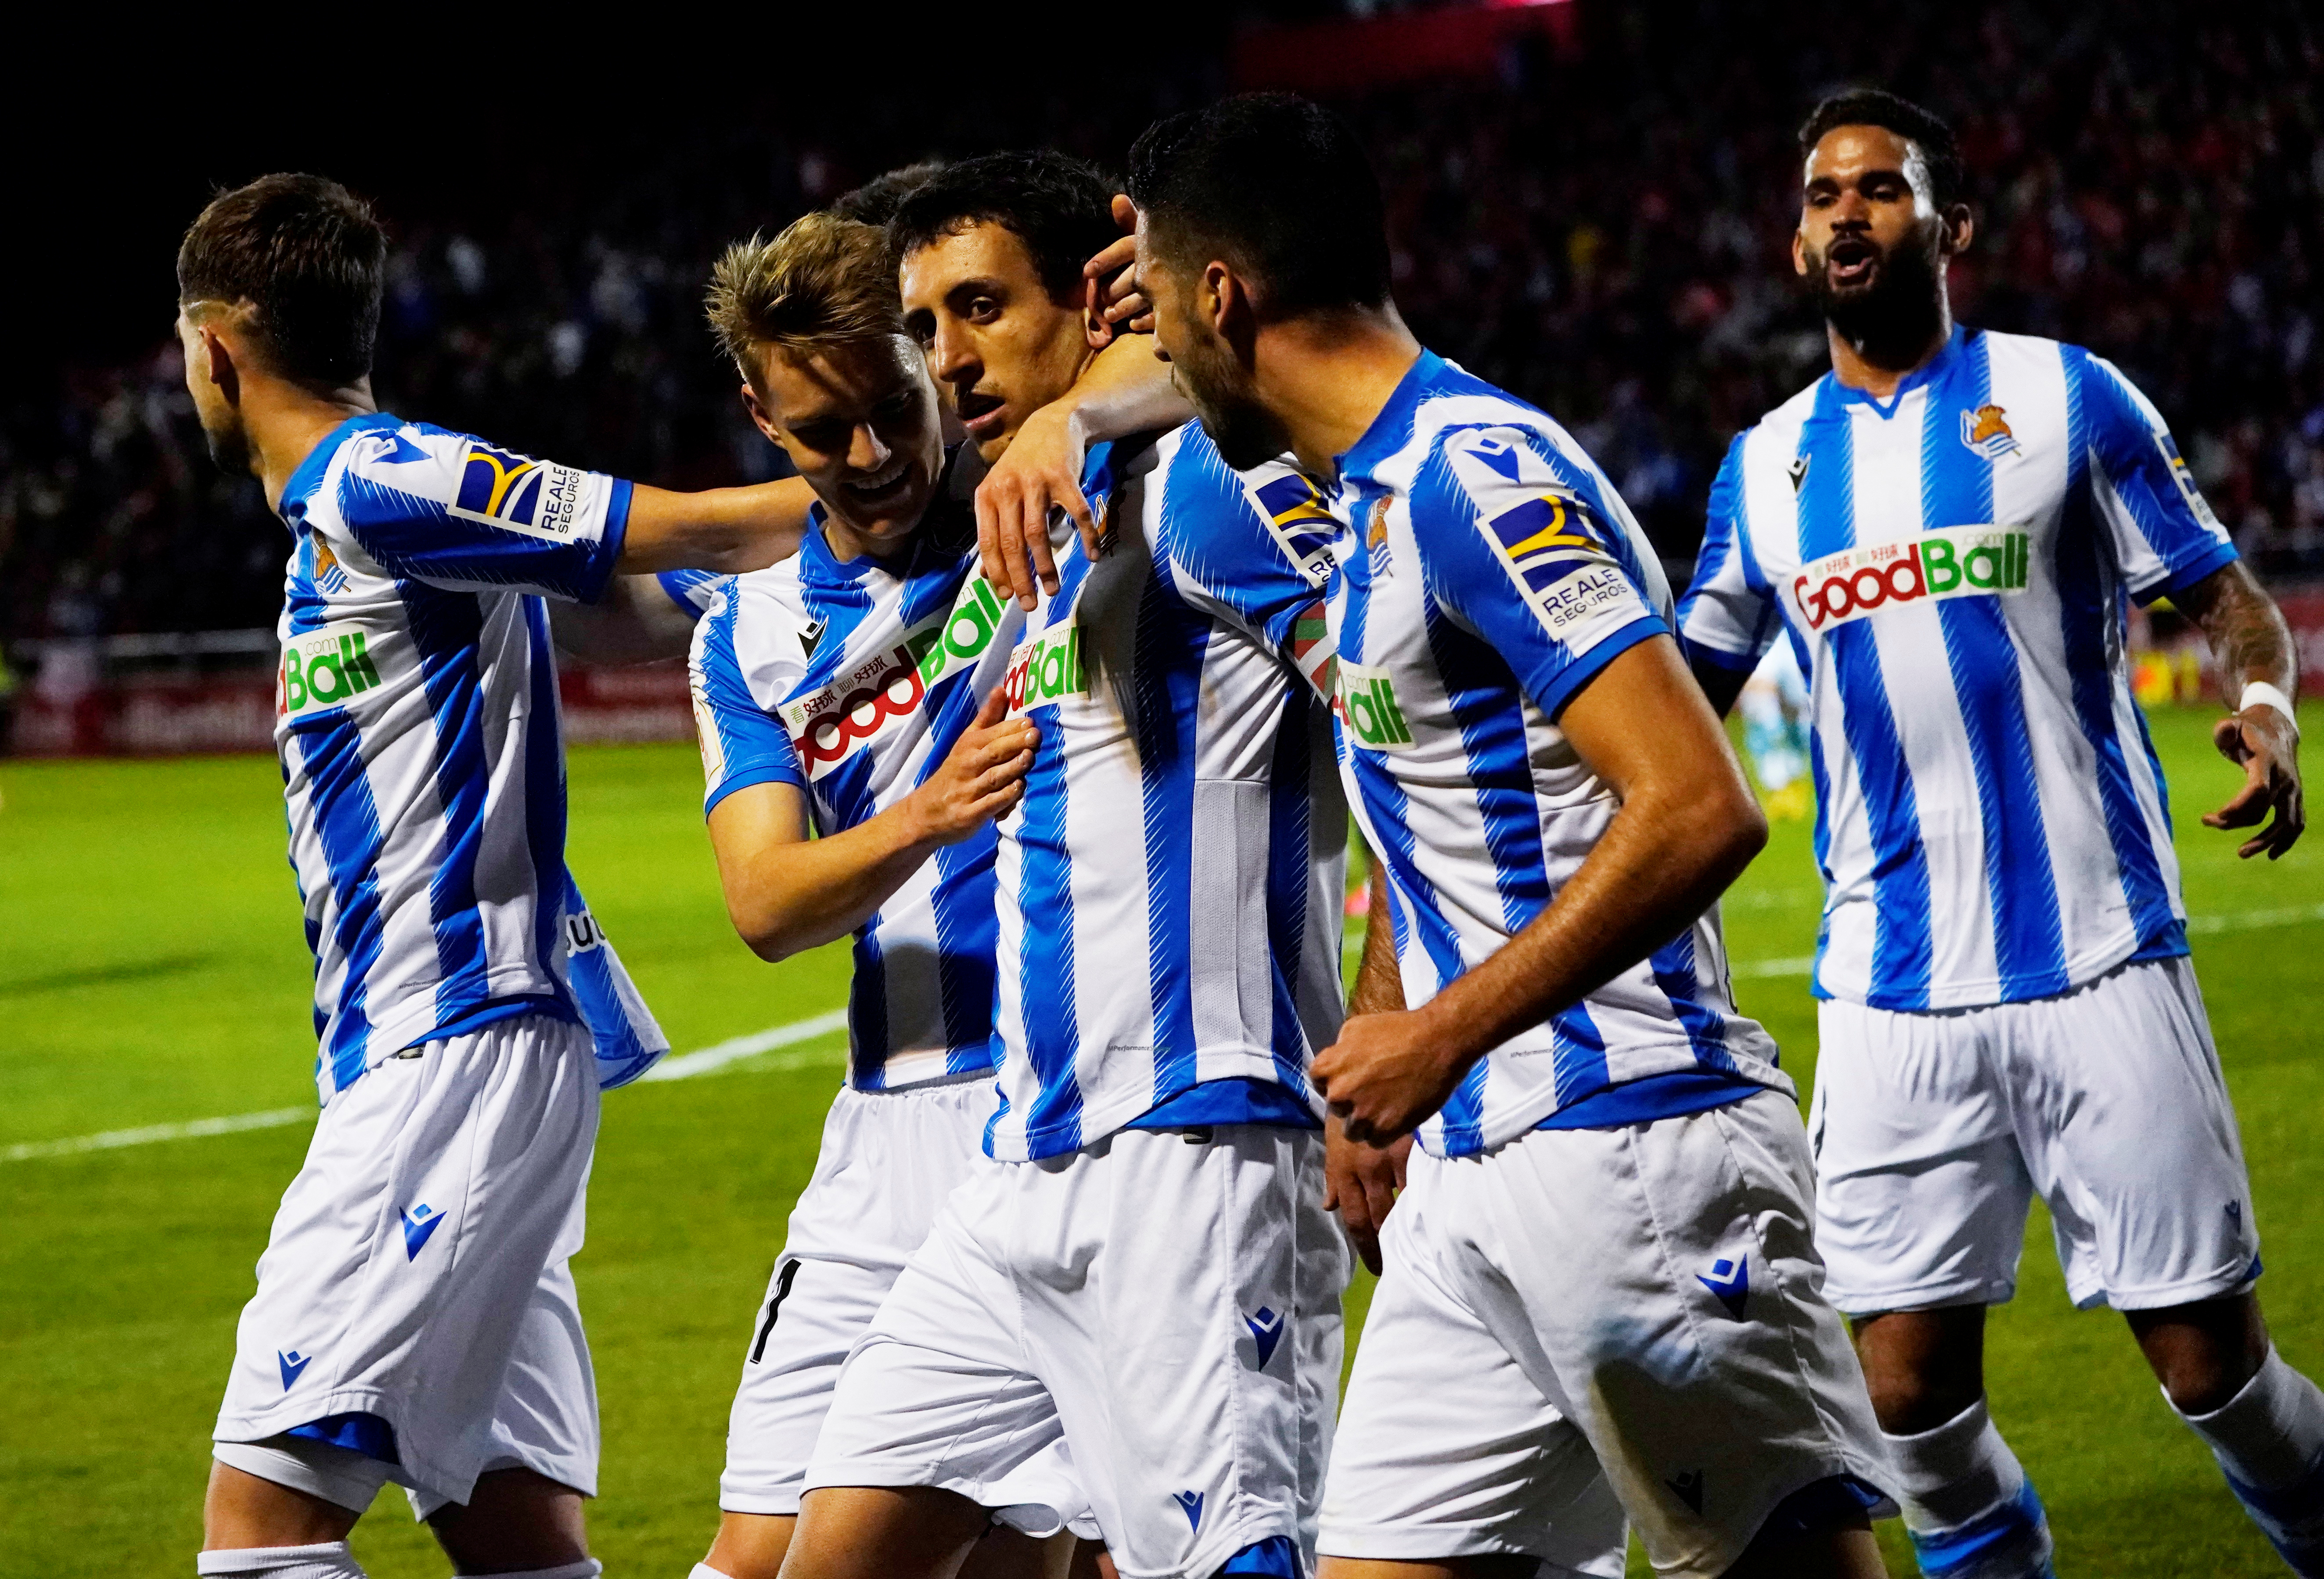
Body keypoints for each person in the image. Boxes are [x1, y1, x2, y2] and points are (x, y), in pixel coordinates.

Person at [1124, 93, 1896, 1579]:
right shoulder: (1356, 502)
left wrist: (1441, 1032)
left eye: (1160, 305)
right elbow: (1435, 818)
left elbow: (1698, 802)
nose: (1154, 347)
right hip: (1474, 1177)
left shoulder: (1480, 475)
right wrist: (1388, 1031)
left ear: (1223, 295)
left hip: (1636, 1143)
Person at [1675, 89, 2317, 1577]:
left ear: (1947, 227)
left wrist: (2270, 708)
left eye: (1881, 191)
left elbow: (2222, 601)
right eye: (1825, 194)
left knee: (2218, 1379)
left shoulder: (2065, 396)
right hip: (1891, 994)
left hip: (2098, 955)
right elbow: (1674, 694)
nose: (1849, 214)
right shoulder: (1763, 469)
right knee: (1906, 1412)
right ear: (1794, 243)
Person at [180, 173, 804, 1579]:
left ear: (215, 344)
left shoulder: (374, 473)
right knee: (514, 1535)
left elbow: (676, 526)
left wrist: (888, 495)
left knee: (260, 1536)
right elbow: (634, 613)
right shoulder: (363, 525)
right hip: (448, 1058)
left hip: (448, 1048)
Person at [777, 149, 1358, 1579]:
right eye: (923, 329)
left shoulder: (1215, 485)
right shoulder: (1037, 526)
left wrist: (1393, 1026)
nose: (947, 358)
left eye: (979, 307)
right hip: (1023, 1165)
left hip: (1200, 1142)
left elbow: (1404, 728)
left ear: (1097, 302)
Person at [680, 209, 1082, 1579]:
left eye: (889, 409)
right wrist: (928, 809)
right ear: (758, 412)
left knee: (1042, 1556)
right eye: (816, 431)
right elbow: (768, 903)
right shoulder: (745, 633)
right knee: (753, 1557)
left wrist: (1064, 423)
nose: (869, 459)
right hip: (875, 1141)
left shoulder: (1048, 501)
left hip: (1051, 1105)